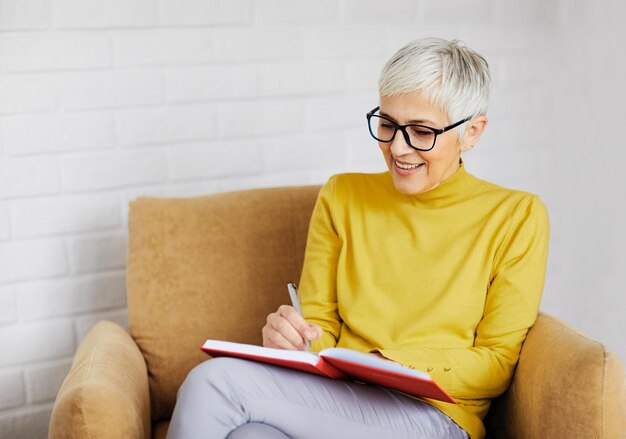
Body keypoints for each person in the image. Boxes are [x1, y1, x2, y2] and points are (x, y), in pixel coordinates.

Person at [167, 37, 550, 439]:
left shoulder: (516, 215)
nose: (397, 147)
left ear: (472, 132)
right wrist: (294, 343)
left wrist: (388, 363)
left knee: (214, 383)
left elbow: (497, 363)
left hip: (436, 417)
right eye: (387, 124)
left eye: (421, 131)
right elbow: (320, 326)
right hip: (338, 398)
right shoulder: (341, 196)